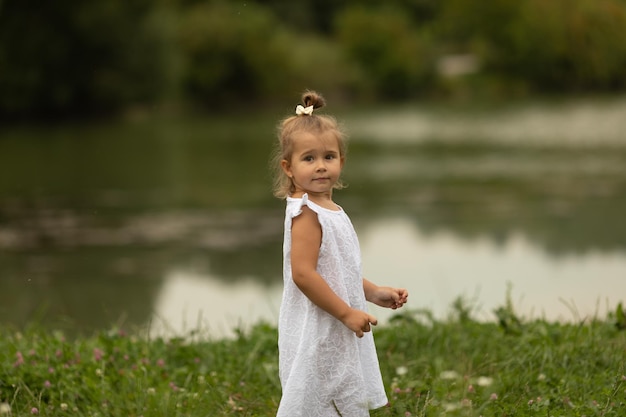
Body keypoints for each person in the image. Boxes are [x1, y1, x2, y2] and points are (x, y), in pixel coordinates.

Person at [272, 90, 409, 417]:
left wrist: (373, 292)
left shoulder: (330, 208)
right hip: (319, 324)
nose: (320, 167)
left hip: (336, 322)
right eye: (309, 159)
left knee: (341, 390)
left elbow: (337, 268)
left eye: (328, 157)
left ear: (341, 162)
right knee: (318, 394)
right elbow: (303, 274)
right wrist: (347, 312)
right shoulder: (306, 213)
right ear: (288, 168)